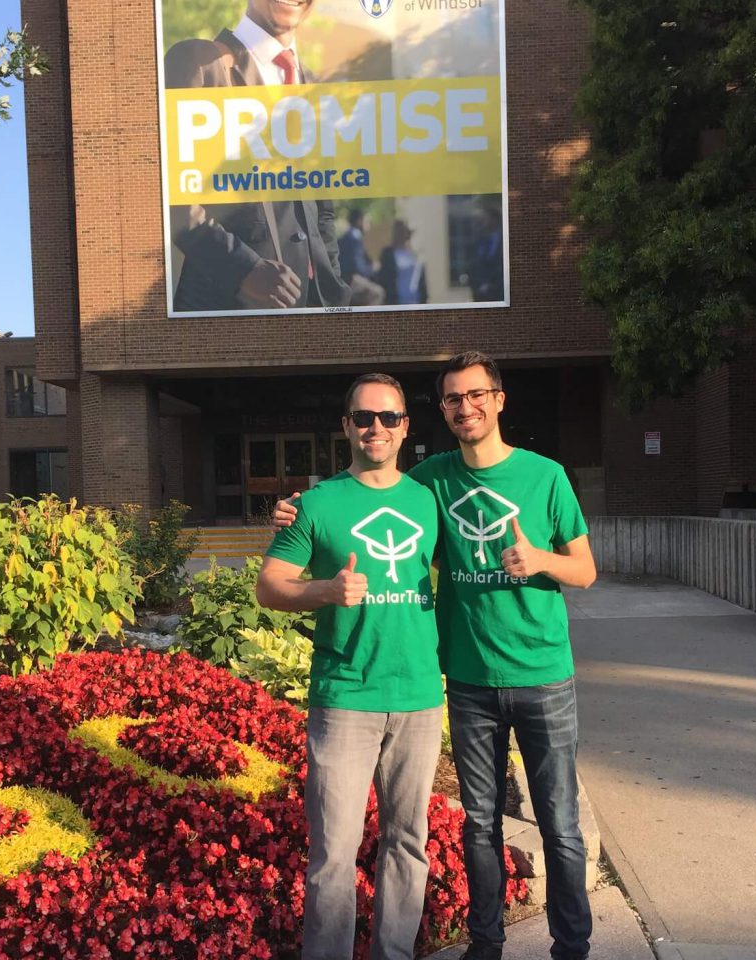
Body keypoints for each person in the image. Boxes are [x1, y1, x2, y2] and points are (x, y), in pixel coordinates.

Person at [273, 351, 597, 960]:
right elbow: (366, 495)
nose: (466, 407)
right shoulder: (431, 483)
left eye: (477, 395)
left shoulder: (546, 475)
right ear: (441, 411)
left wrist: (543, 562)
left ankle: (571, 947)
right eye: (453, 399)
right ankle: (486, 944)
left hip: (544, 677)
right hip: (468, 680)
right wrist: (293, 513)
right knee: (478, 824)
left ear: (499, 400)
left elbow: (586, 569)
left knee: (560, 824)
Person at [256, 373, 443, 960]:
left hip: (417, 696)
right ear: (346, 427)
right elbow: (270, 584)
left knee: (407, 844)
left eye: (389, 417)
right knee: (334, 853)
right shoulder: (316, 504)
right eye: (364, 417)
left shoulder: (429, 497)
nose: (376, 428)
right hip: (344, 698)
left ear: (406, 427)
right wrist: (325, 591)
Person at [164, 0, 350, 313]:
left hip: (316, 311)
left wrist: (334, 286)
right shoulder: (199, 63)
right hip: (225, 309)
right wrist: (242, 270)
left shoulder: (312, 87)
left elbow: (322, 208)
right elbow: (174, 195)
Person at [337, 207, 385, 306]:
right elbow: (357, 267)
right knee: (377, 293)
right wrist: (373, 268)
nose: (369, 224)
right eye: (367, 221)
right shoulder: (354, 239)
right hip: (350, 280)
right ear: (360, 221)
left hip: (345, 279)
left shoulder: (347, 237)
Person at [376, 219, 428, 305]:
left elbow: (421, 280)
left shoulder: (415, 254)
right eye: (403, 232)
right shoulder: (388, 253)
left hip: (416, 303)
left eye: (408, 232)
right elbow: (383, 278)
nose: (406, 235)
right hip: (396, 303)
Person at [467, 206, 504, 303]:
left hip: (498, 295)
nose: (482, 221)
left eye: (485, 218)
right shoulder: (479, 240)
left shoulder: (504, 240)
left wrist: (492, 286)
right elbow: (472, 265)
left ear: (494, 219)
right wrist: (477, 287)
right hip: (480, 295)